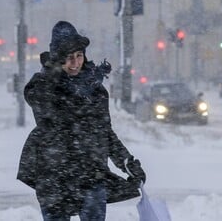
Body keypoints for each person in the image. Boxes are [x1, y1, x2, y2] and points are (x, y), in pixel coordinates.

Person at [17, 21, 146, 221]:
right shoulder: (44, 87)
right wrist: (54, 77)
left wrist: (128, 163)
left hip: (90, 173)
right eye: (69, 58)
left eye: (79, 56)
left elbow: (105, 133)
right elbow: (38, 101)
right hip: (54, 176)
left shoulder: (95, 90)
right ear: (58, 59)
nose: (76, 63)